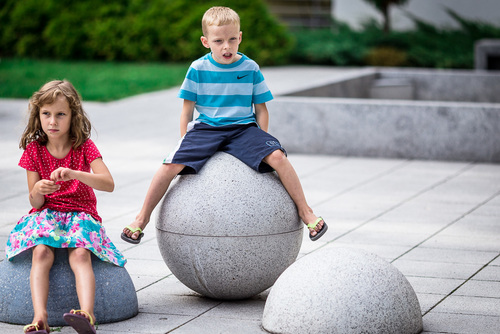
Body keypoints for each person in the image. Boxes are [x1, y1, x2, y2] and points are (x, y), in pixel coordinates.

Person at [121, 6, 327, 244]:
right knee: (168, 166)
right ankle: (141, 219)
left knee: (279, 157)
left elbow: (261, 109)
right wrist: (183, 140)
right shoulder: (198, 69)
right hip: (206, 129)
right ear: (205, 41)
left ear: (240, 37)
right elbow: (186, 110)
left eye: (232, 39)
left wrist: (262, 140)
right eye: (218, 41)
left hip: (244, 129)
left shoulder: (250, 68)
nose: (226, 47)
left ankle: (306, 212)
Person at [5, 80, 126, 334]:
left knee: (80, 254)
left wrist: (75, 173)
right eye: (46, 114)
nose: (53, 121)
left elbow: (108, 183)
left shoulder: (84, 147)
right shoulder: (34, 151)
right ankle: (40, 317)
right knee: (41, 253)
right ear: (38, 116)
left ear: (73, 116)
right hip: (47, 214)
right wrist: (37, 190)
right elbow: (34, 202)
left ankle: (87, 315)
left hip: (81, 214)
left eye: (61, 114)